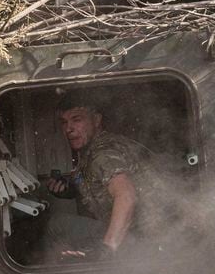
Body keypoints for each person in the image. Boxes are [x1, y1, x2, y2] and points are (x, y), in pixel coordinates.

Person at [44, 93, 154, 261]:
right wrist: (69, 189)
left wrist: (107, 248)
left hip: (142, 239)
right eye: (64, 122)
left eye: (77, 119)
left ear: (96, 120)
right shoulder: (90, 150)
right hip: (139, 233)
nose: (69, 128)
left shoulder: (103, 153)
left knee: (56, 224)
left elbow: (126, 195)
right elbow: (93, 182)